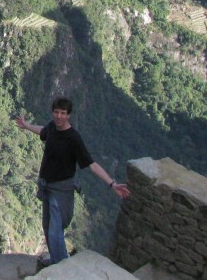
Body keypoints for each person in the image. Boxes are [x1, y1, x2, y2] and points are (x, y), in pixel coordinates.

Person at [15, 97, 130, 268]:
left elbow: (92, 164)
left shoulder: (73, 138)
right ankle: (55, 260)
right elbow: (43, 131)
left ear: (69, 115)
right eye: (56, 112)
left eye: (63, 113)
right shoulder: (52, 127)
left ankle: (62, 267)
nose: (59, 116)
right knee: (47, 227)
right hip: (46, 185)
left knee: (55, 231)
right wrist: (26, 126)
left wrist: (112, 184)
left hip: (61, 190)